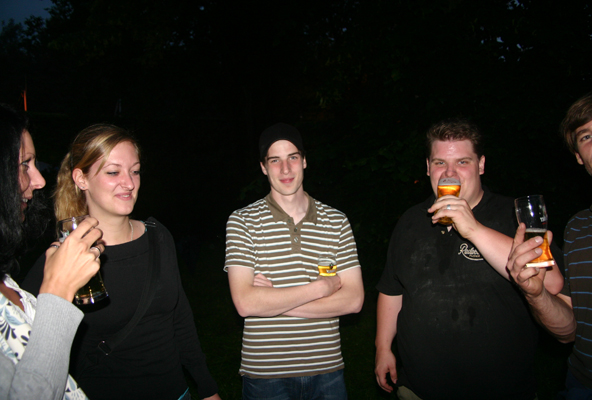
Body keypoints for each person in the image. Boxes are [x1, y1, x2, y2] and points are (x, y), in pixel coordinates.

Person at [22, 124, 221, 400]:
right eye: (113, 172)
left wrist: (207, 387)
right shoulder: (64, 259)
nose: (129, 183)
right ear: (81, 179)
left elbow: (180, 319)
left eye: (135, 171)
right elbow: (25, 345)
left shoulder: (158, 236)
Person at [374, 118, 564, 400]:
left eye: (462, 162)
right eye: (440, 163)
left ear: (481, 165)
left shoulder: (513, 216)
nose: (449, 173)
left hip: (501, 391)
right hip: (419, 389)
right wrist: (382, 348)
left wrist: (474, 228)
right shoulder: (411, 220)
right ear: (427, 167)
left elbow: (552, 283)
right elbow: (392, 290)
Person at [224, 123, 364, 399]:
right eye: (275, 160)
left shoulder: (336, 221)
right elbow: (245, 304)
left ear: (304, 161)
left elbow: (354, 300)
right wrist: (320, 288)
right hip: (265, 374)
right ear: (263, 167)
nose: (285, 169)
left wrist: (272, 301)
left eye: (293, 157)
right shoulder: (242, 221)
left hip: (327, 370)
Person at [0, 101, 104, 400]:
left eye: (136, 171)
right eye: (23, 164)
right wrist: (58, 289)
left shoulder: (1, 278)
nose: (39, 180)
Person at [507, 92, 592, 398]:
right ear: (578, 156)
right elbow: (569, 331)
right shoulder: (578, 228)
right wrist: (537, 294)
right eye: (586, 136)